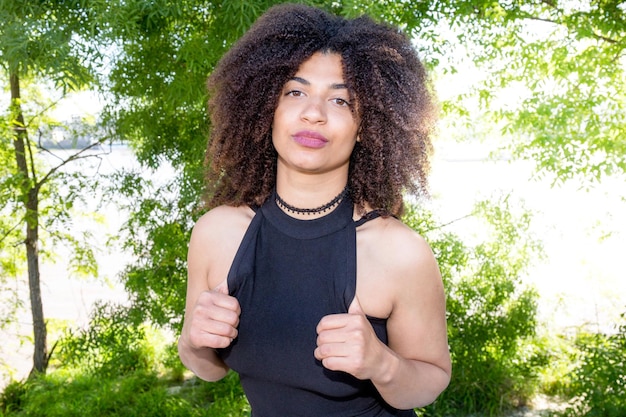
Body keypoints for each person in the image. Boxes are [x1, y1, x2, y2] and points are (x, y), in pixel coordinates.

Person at [178, 3, 451, 416]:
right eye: (295, 92)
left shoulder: (400, 252)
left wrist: (382, 363)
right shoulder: (216, 233)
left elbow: (430, 381)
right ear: (265, 109)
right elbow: (206, 367)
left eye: (341, 101)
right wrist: (196, 341)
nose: (313, 113)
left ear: (367, 127)